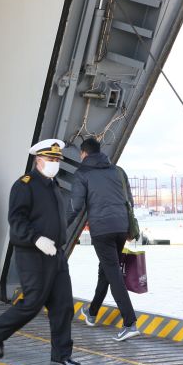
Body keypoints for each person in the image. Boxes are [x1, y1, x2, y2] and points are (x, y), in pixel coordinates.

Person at [0, 139, 82, 365]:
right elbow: (16, 220)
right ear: (38, 160)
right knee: (32, 303)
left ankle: (61, 355)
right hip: (33, 255)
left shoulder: (53, 185)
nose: (55, 163)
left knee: (63, 305)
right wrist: (36, 238)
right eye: (51, 159)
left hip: (56, 255)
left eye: (57, 160)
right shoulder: (24, 185)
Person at [67, 137, 139, 341]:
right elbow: (129, 200)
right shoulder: (117, 170)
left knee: (113, 273)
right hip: (121, 228)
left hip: (101, 230)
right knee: (106, 271)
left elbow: (76, 206)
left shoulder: (83, 173)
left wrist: (61, 226)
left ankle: (130, 322)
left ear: (84, 153)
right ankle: (92, 312)